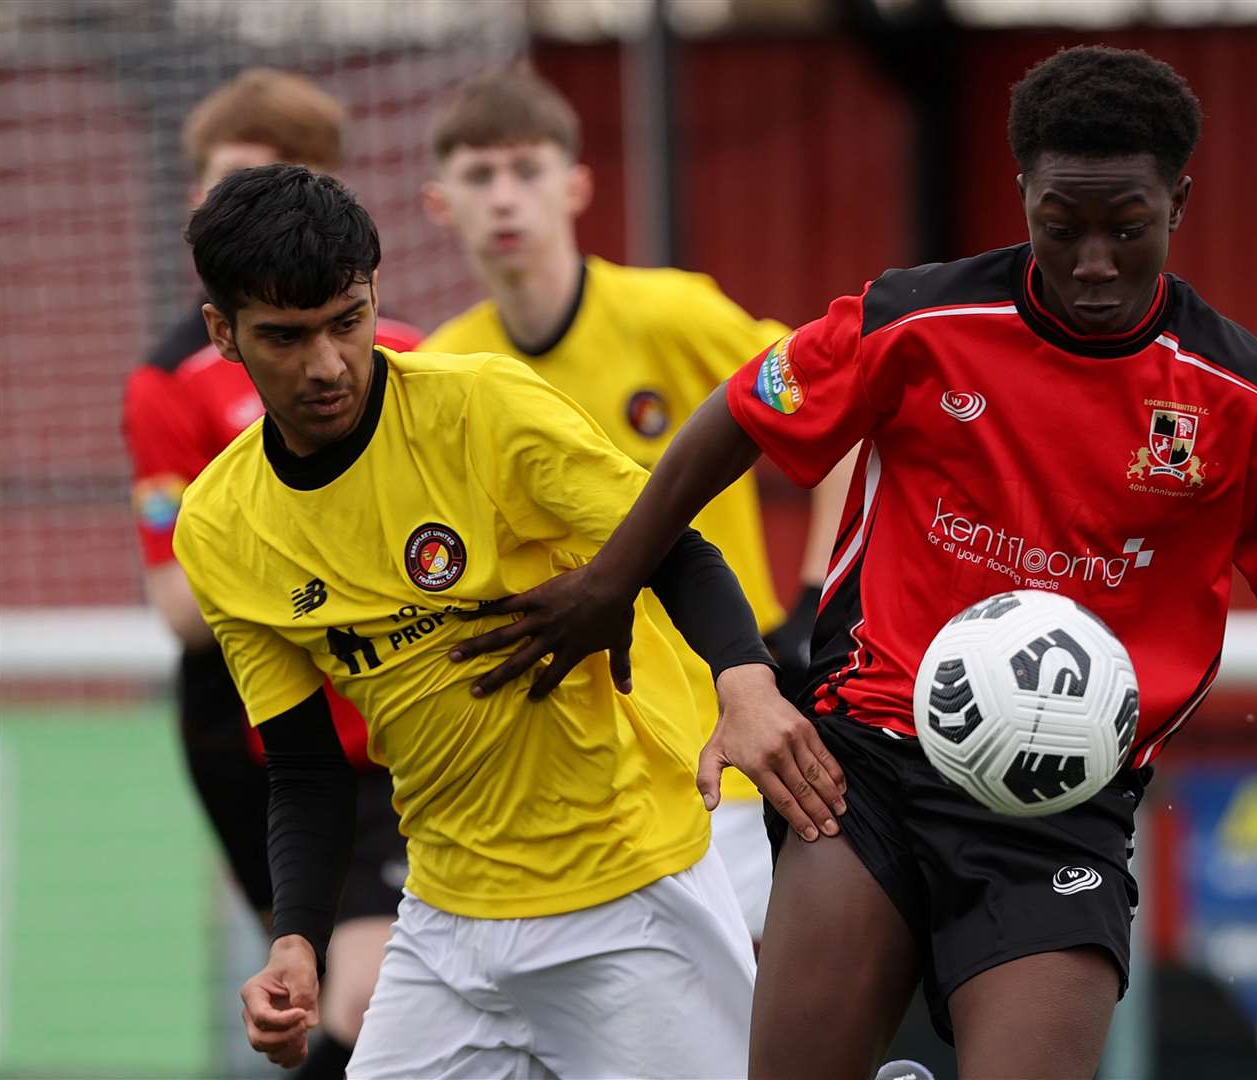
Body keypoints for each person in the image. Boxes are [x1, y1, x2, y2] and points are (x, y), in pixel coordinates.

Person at [448, 46, 1257, 1078]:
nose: (1093, 261)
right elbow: (732, 416)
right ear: (1023, 197)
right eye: (1062, 225)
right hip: (864, 764)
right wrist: (607, 582)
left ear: (1179, 204)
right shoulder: (917, 321)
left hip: (1067, 806)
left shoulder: (1250, 402)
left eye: (1128, 228)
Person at [172, 164, 825, 1077]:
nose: (326, 365)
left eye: (346, 322)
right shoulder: (219, 525)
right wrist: (296, 940)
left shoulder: (482, 408)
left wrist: (747, 681)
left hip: (628, 896)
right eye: (284, 337)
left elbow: (671, 544)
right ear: (223, 333)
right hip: (444, 926)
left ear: (372, 298)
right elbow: (306, 764)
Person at [417, 64, 852, 941]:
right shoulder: (443, 372)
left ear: (576, 185)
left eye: (526, 170)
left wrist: (813, 607)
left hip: (722, 748)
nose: (505, 198)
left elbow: (837, 414)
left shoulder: (672, 316)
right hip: (573, 785)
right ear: (439, 204)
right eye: (478, 176)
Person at [120, 68, 419, 1079]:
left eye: (268, 179)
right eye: (218, 185)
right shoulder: (171, 383)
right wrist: (308, 569)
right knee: (317, 990)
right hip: (252, 727)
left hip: (398, 710)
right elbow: (178, 604)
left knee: (374, 990)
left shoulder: (412, 365)